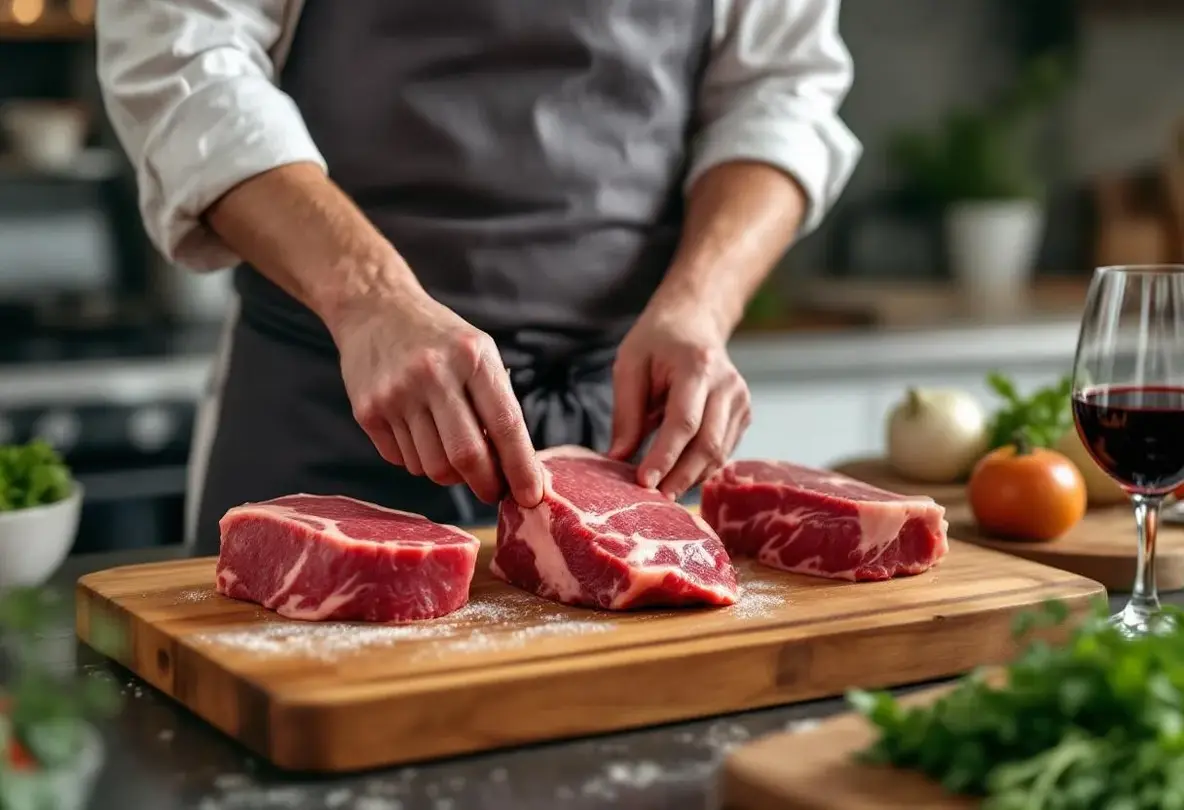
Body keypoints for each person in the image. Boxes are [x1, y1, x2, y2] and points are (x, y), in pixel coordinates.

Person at [95, 0, 861, 555]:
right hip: (329, 412)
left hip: (629, 439)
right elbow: (181, 55)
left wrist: (700, 306)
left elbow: (781, 91)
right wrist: (371, 299)